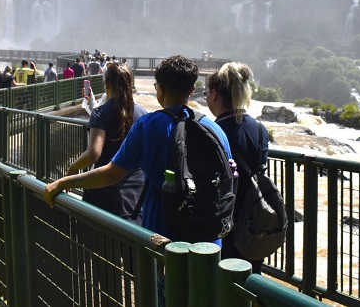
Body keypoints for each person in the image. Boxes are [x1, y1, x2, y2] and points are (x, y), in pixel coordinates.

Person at [45, 55, 232, 243]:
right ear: (191, 90)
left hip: (162, 235)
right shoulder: (215, 129)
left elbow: (111, 173)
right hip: (209, 238)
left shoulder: (148, 125)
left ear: (161, 88)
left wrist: (64, 182)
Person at [204, 61, 269, 272]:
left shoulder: (210, 131)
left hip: (222, 223)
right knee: (251, 279)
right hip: (254, 223)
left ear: (214, 94)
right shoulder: (260, 129)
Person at [64, 62, 147, 220]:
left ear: (106, 83)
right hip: (136, 194)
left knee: (99, 241)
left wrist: (73, 168)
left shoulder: (101, 113)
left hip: (104, 191)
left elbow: (94, 153)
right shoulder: (143, 114)